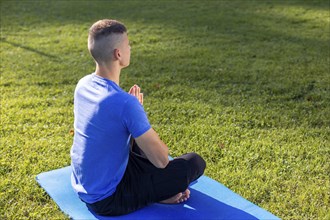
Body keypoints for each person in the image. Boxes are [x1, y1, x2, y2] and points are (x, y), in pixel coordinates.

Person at [70, 19, 206, 216]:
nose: (130, 48)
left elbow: (109, 128)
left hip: (84, 182)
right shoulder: (125, 103)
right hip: (108, 199)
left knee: (140, 148)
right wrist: (137, 113)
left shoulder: (83, 85)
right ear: (118, 54)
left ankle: (157, 190)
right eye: (128, 44)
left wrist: (133, 114)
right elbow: (161, 160)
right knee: (194, 162)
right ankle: (157, 194)